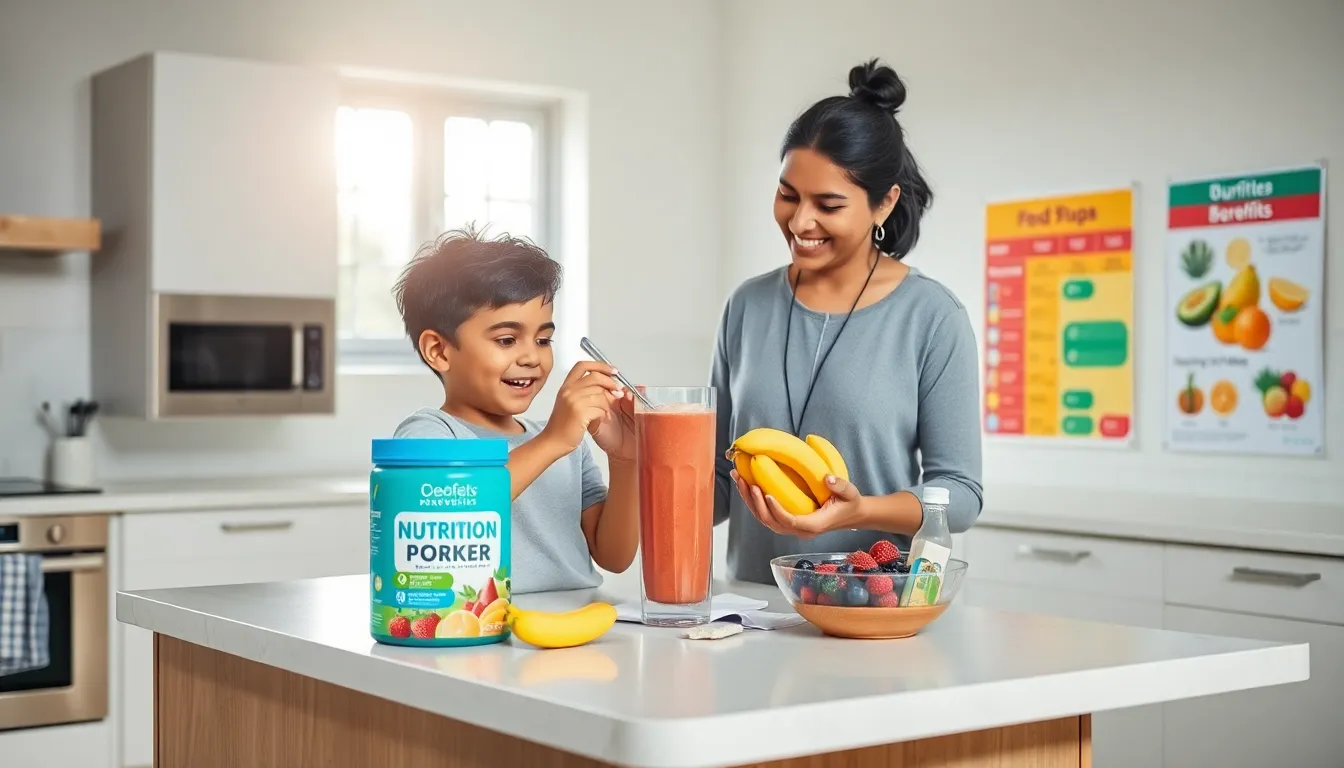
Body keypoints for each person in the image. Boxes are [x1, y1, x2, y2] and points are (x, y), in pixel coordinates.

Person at [711, 59, 983, 585]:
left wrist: (862, 510)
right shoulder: (747, 306)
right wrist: (644, 456)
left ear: (883, 204)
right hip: (753, 613)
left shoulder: (931, 317)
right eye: (788, 194)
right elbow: (722, 486)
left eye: (828, 204)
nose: (799, 221)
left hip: (872, 606)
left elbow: (961, 495)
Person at [392, 225, 639, 593]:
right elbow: (453, 512)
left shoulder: (565, 444)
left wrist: (626, 460)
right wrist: (555, 439)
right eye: (507, 340)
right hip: (481, 631)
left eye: (543, 339)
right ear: (439, 351)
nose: (531, 357)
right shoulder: (430, 434)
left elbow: (614, 557)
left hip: (574, 628)